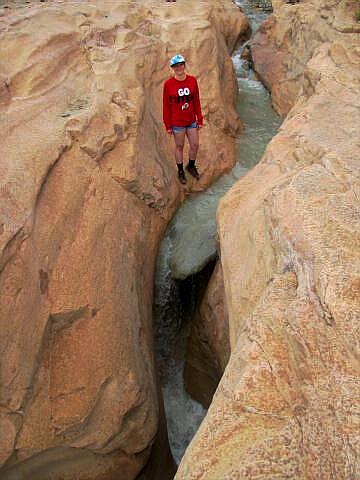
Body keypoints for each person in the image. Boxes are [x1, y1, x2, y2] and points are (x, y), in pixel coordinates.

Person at [162, 54, 203, 184]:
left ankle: (190, 165)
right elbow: (166, 106)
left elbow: (196, 100)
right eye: (176, 66)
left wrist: (199, 118)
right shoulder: (168, 84)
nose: (179, 68)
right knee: (179, 146)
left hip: (191, 120)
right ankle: (180, 171)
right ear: (173, 68)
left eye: (180, 65)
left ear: (184, 65)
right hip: (177, 123)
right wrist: (168, 125)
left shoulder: (192, 80)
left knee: (195, 145)